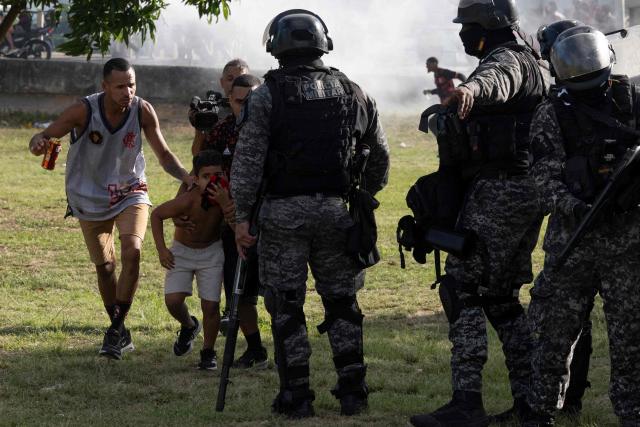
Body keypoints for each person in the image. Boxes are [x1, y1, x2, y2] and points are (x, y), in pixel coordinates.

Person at [232, 9, 390, 418]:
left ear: (276, 47)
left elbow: (248, 164)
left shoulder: (265, 96)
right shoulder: (353, 91)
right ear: (323, 43)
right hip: (338, 213)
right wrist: (364, 197)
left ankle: (297, 396)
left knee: (286, 305)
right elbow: (381, 157)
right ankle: (353, 391)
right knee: (342, 302)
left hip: (283, 216)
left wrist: (241, 218)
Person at [409, 1, 547, 426]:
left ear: (487, 25)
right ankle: (531, 401)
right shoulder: (534, 59)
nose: (463, 34)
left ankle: (466, 401)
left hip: (503, 188)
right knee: (501, 298)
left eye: (467, 25)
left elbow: (496, 79)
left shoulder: (507, 59)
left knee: (463, 285)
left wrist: (470, 90)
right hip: (524, 189)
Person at [27, 57, 194, 360]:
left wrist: (187, 177)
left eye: (131, 84)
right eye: (119, 86)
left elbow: (164, 154)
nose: (127, 92)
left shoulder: (142, 110)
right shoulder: (83, 110)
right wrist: (38, 142)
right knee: (105, 268)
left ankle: (115, 329)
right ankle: (119, 330)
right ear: (104, 86)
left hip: (131, 191)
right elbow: (45, 135)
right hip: (89, 197)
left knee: (132, 251)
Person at [524, 26, 640, 427]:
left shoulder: (634, 102)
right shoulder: (551, 114)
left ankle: (632, 412)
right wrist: (576, 205)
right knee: (553, 334)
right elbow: (543, 178)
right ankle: (541, 411)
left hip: (628, 243)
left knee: (631, 338)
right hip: (573, 240)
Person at [532, 19, 596, 419]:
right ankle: (559, 402)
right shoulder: (555, 108)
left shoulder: (619, 101)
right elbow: (546, 174)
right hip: (574, 224)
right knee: (565, 323)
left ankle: (567, 400)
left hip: (598, 229)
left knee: (565, 319)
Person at [193, 73, 269, 369]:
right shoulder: (223, 130)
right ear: (230, 102)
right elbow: (200, 168)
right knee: (239, 290)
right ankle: (256, 349)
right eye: (239, 102)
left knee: (278, 292)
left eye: (251, 101)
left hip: (271, 216)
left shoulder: (274, 130)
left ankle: (289, 347)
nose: (245, 107)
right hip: (231, 220)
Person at [151, 149, 231, 370]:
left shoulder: (227, 195)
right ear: (195, 179)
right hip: (183, 252)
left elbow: (236, 226)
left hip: (211, 252)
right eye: (206, 177)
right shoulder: (189, 199)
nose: (213, 181)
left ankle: (208, 352)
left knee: (211, 306)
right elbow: (157, 214)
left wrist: (225, 205)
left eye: (218, 175)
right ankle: (189, 325)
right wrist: (162, 250)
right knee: (173, 301)